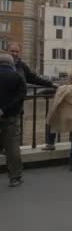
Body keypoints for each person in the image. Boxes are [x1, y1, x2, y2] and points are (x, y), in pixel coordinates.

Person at [6, 42, 58, 151]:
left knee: (15, 131)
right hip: (3, 103)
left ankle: (13, 152)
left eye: (17, 51)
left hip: (16, 105)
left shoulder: (21, 65)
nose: (14, 53)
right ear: (7, 51)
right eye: (12, 51)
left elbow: (33, 78)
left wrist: (51, 84)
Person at [0, 53, 27, 187]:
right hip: (11, 115)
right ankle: (15, 177)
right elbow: (21, 96)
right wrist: (4, 109)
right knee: (12, 147)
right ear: (11, 64)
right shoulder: (17, 76)